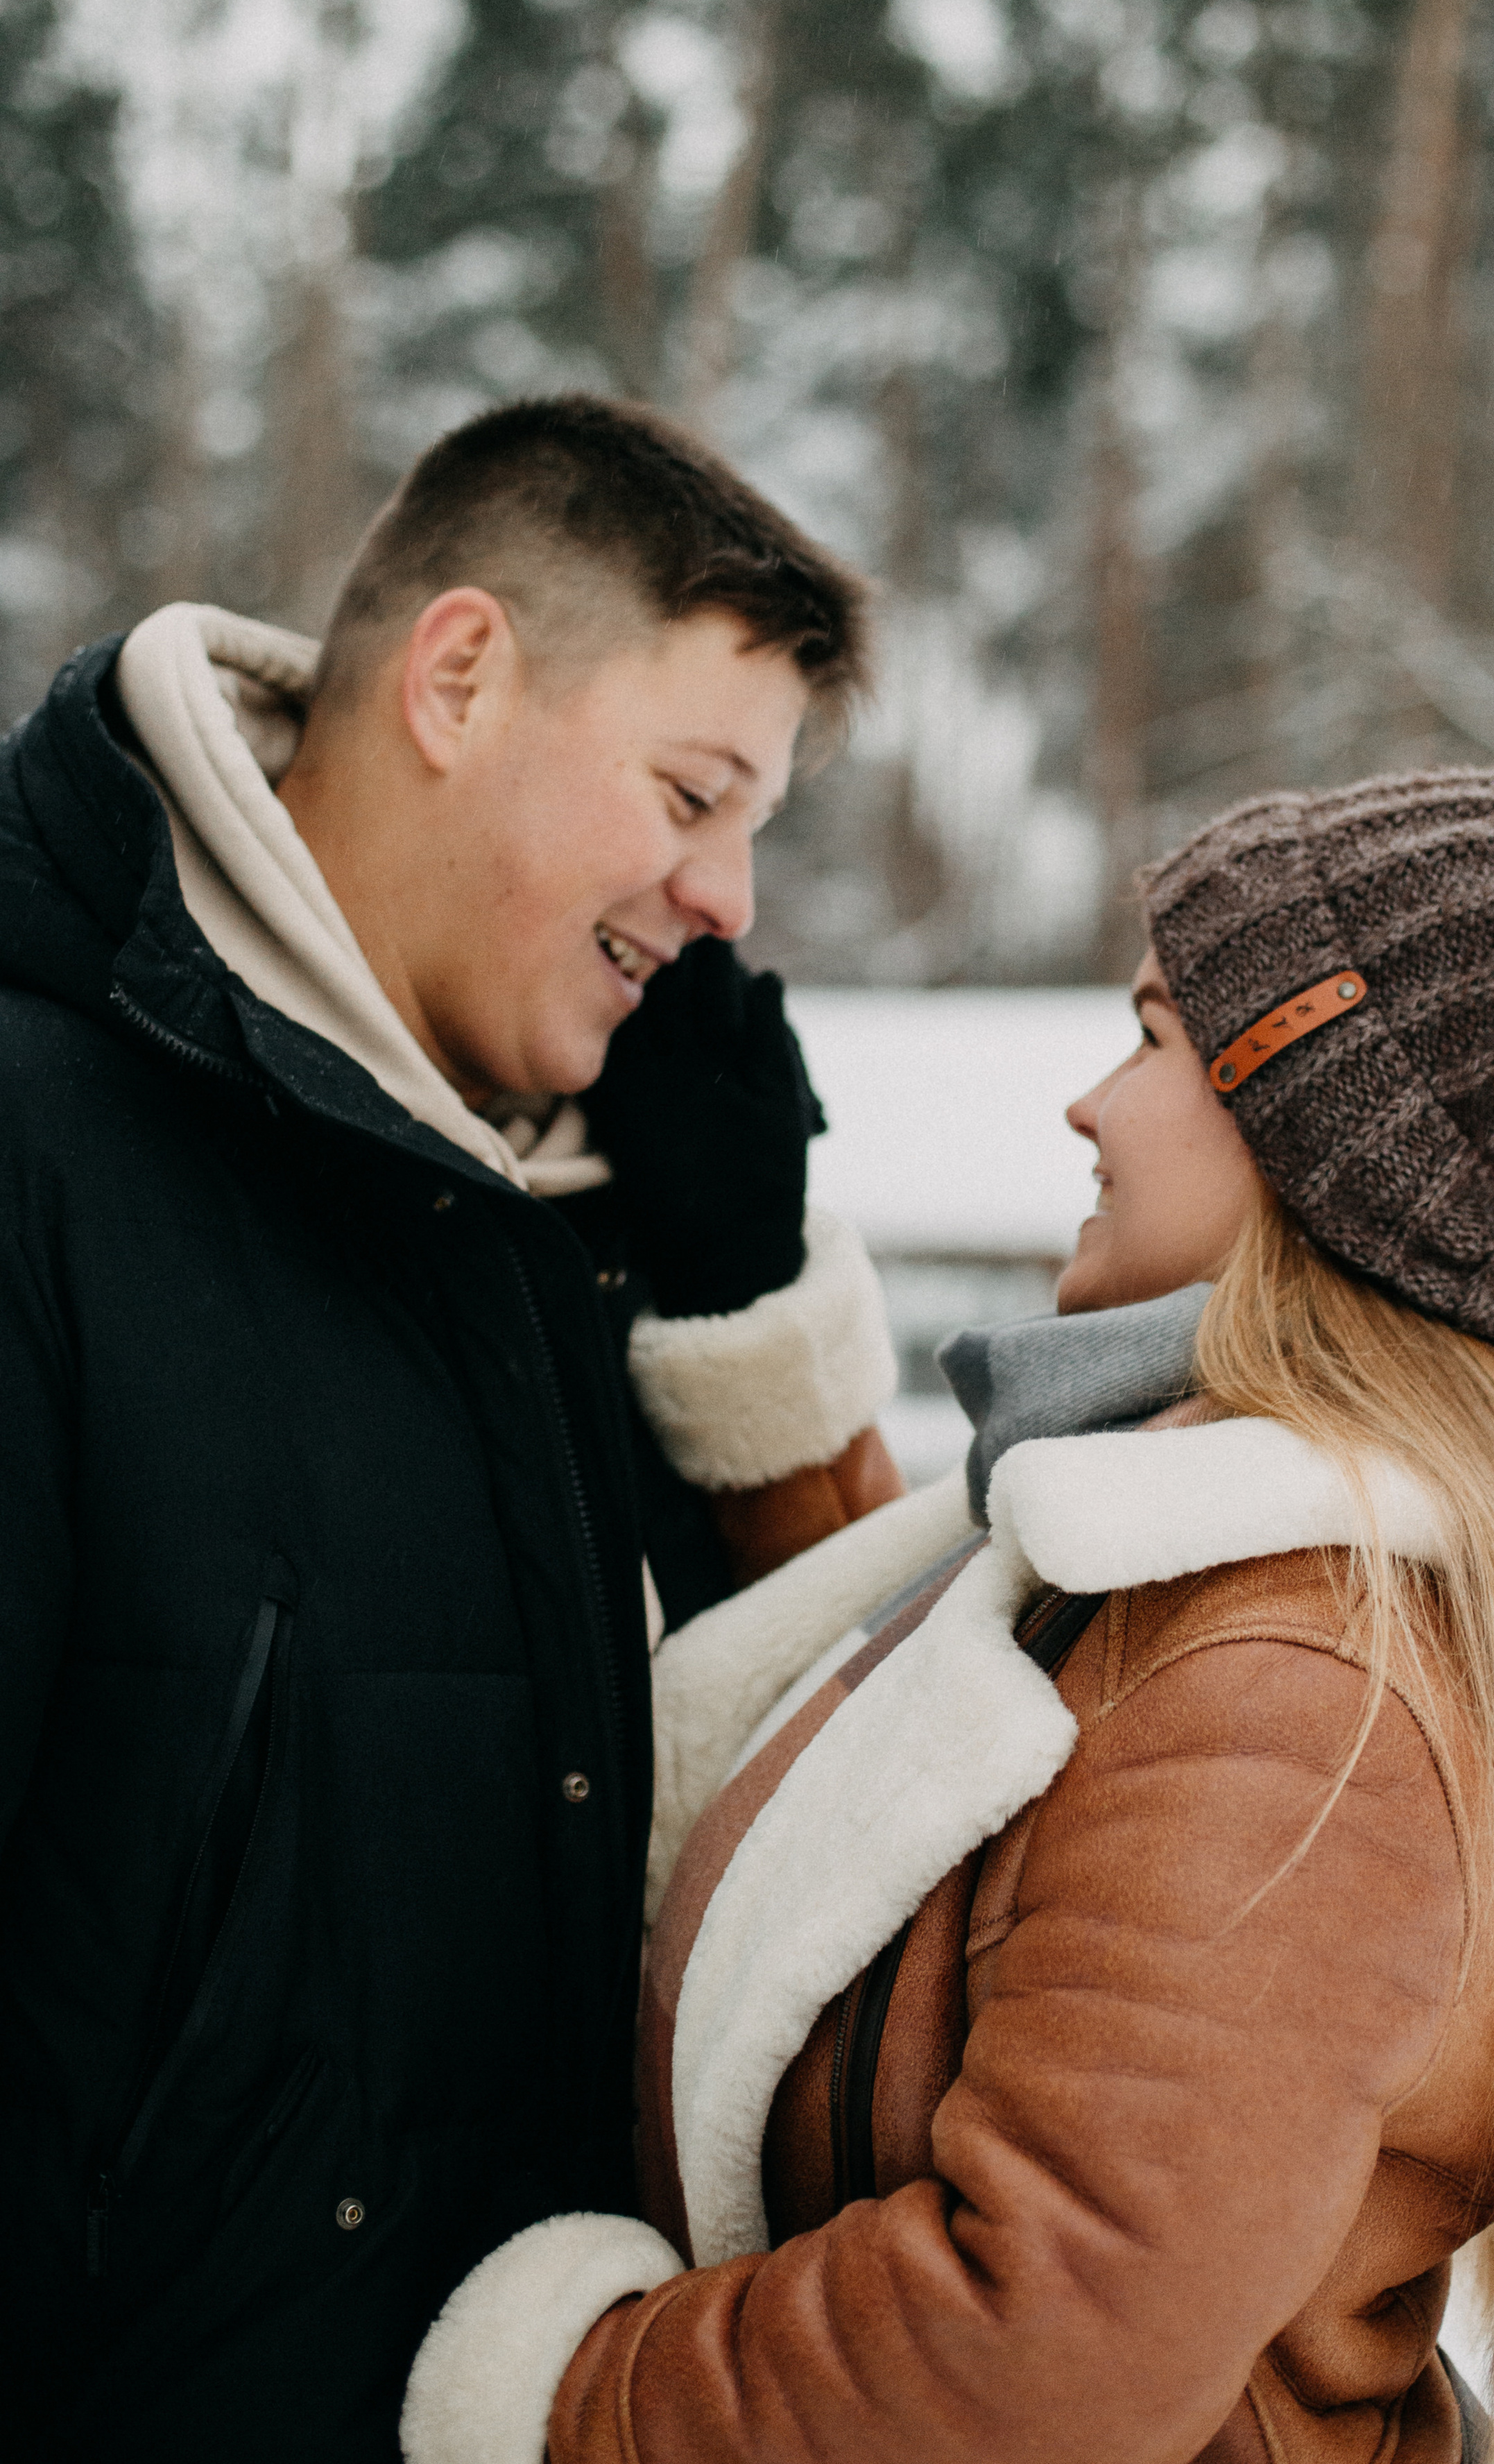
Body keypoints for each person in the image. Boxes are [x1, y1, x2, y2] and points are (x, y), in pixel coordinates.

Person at [406, 737, 1494, 2464]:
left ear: (1309, 1125)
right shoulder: (1199, 1549)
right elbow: (936, 1788)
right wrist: (748, 1283)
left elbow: (1030, 2351)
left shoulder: (1298, 1692)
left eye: (1146, 1037)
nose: (1085, 1102)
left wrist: (555, 2394)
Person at [0, 397, 905, 2461]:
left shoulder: (558, 1225)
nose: (729, 899)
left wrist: (739, 1292)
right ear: (463, 674)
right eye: (696, 791)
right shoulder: (35, 1150)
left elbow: (839, 1816)